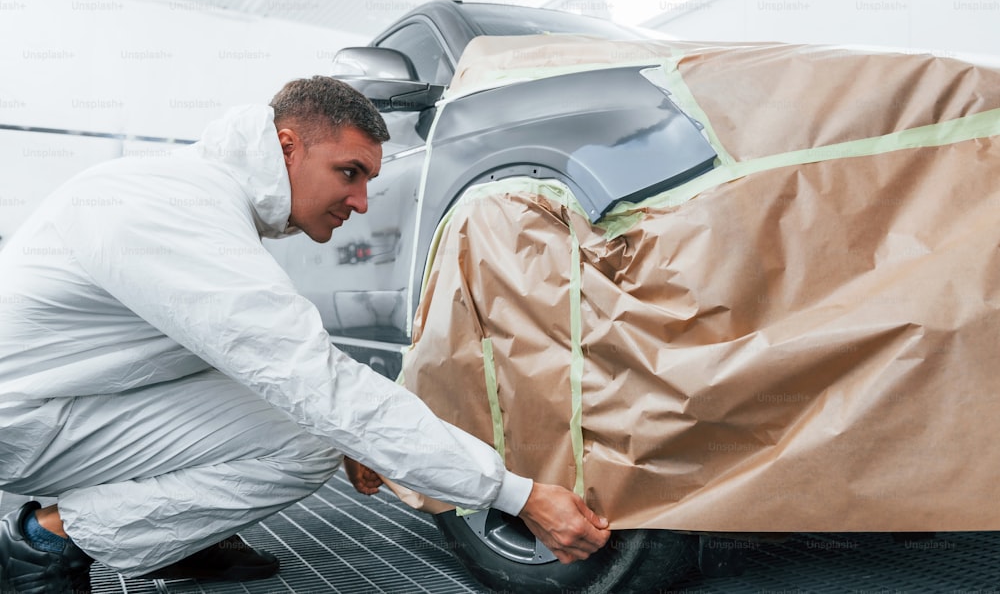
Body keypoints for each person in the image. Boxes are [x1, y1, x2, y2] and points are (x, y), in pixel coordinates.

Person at [0, 77, 610, 592]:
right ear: (286, 146)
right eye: (349, 172)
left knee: (314, 417)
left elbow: (247, 355)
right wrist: (514, 492)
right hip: (30, 421)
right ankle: (42, 544)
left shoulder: (196, 193)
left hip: (68, 399)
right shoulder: (177, 210)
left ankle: (172, 535)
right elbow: (314, 379)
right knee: (307, 441)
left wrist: (350, 427)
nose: (362, 201)